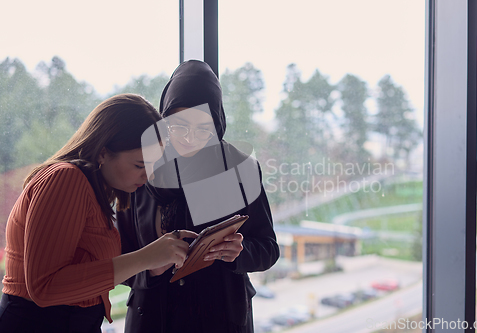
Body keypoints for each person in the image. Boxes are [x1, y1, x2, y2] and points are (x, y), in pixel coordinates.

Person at [0, 94, 197, 333]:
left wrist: (151, 265)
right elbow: (45, 287)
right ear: (103, 152)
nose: (148, 176)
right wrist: (144, 257)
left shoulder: (92, 189)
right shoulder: (66, 178)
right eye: (139, 165)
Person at [116, 60, 280, 333]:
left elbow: (268, 248)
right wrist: (151, 268)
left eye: (203, 128)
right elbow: (118, 254)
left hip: (221, 316)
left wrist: (240, 253)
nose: (189, 138)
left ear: (218, 124)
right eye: (178, 126)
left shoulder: (240, 169)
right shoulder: (141, 166)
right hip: (154, 316)